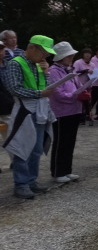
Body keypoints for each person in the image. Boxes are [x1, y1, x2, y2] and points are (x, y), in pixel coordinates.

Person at [3, 35, 56, 199]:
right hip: (24, 111)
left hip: (39, 110)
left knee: (36, 149)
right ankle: (21, 184)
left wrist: (46, 72)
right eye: (43, 52)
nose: (45, 57)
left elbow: (44, 85)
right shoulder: (15, 64)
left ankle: (32, 181)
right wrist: (39, 93)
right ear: (32, 48)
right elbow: (14, 88)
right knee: (22, 148)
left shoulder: (39, 65)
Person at [47, 41, 82, 183]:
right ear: (61, 57)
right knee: (61, 141)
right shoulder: (54, 71)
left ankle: (67, 170)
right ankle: (57, 171)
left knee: (70, 141)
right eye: (69, 55)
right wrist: (75, 95)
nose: (71, 57)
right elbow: (57, 93)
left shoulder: (69, 69)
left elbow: (78, 85)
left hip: (74, 110)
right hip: (61, 112)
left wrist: (83, 91)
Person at [72, 48, 95, 125]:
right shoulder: (78, 62)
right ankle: (80, 117)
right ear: (83, 54)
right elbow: (74, 73)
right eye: (86, 53)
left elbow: (94, 75)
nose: (87, 55)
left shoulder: (92, 64)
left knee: (87, 102)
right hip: (79, 85)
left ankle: (86, 116)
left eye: (89, 53)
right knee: (80, 101)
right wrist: (85, 71)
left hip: (88, 85)